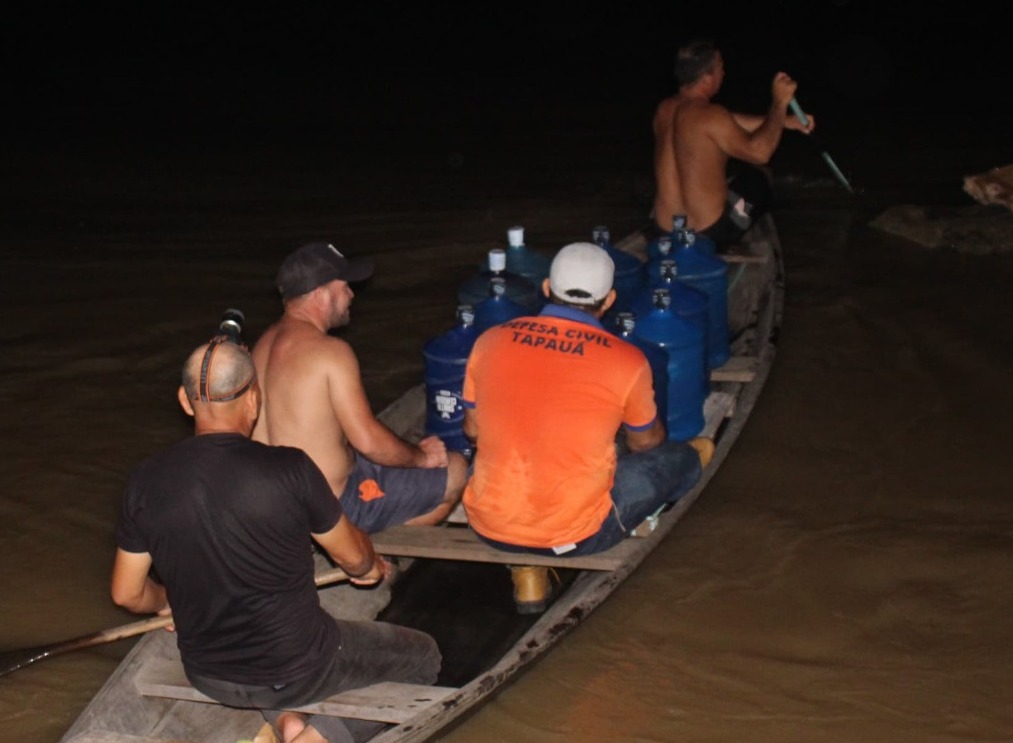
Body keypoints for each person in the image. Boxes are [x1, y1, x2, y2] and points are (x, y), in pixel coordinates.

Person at [111, 335, 441, 743]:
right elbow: (354, 559)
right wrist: (370, 568)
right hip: (301, 668)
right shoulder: (290, 469)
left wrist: (167, 602)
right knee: (423, 657)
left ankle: (286, 723)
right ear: (253, 401)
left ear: (184, 399)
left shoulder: (145, 481)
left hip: (207, 675)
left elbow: (127, 594)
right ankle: (320, 737)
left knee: (269, 663)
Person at [461, 242, 713, 614]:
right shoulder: (627, 360)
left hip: (488, 524)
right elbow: (645, 444)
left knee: (493, 454)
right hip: (579, 536)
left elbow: (474, 433)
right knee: (679, 457)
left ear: (547, 288)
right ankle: (538, 558)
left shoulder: (490, 340)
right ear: (609, 300)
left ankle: (527, 572)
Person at [251, 241, 468, 534]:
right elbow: (368, 442)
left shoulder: (259, 348)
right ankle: (368, 547)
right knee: (455, 469)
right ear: (320, 293)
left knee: (371, 448)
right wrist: (422, 456)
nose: (352, 294)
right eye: (345, 286)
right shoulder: (330, 352)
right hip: (332, 509)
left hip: (276, 506)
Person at [652, 38, 816, 248]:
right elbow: (761, 152)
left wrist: (785, 122)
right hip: (709, 234)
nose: (724, 74)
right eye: (721, 68)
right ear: (707, 77)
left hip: (664, 230)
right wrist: (779, 103)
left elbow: (725, 121)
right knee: (760, 175)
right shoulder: (712, 116)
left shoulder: (664, 110)